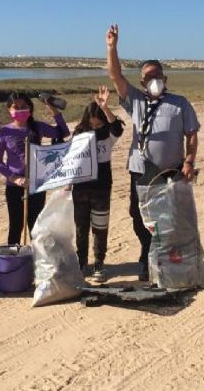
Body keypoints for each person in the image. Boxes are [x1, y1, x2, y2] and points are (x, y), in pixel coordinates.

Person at [106, 24, 200, 281]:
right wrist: (112, 47)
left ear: (165, 78)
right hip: (140, 170)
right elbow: (116, 76)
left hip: (170, 171)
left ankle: (169, 258)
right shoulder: (136, 100)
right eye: (148, 76)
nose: (154, 79)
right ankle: (146, 253)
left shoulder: (180, 104)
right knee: (139, 216)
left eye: (158, 75)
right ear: (142, 82)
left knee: (170, 217)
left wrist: (189, 160)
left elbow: (192, 135)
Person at [0, 92, 70, 245]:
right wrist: (14, 178)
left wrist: (52, 109)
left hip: (36, 185)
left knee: (35, 226)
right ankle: (14, 262)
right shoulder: (4, 132)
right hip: (14, 187)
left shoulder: (38, 127)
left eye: (24, 107)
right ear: (9, 110)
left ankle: (37, 260)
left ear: (30, 109)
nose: (20, 110)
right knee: (16, 226)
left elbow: (63, 131)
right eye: (16, 107)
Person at [70, 86, 125, 283]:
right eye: (92, 123)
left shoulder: (108, 136)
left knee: (100, 228)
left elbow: (117, 128)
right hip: (81, 189)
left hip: (102, 188)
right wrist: (68, 182)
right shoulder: (78, 134)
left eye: (99, 122)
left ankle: (99, 263)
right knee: (81, 228)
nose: (95, 126)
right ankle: (81, 263)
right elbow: (71, 160)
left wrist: (105, 107)